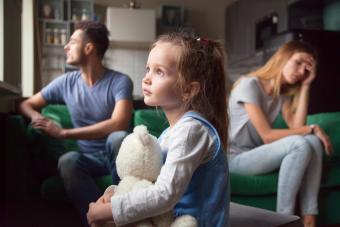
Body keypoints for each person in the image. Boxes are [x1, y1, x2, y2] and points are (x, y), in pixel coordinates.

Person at [86, 32, 230, 226]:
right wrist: (114, 194)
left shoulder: (192, 131)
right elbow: (149, 183)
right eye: (148, 69)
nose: (146, 78)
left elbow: (165, 194)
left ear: (188, 90)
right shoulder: (168, 134)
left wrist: (110, 210)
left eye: (159, 71)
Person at [19, 21, 133, 226]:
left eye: (72, 41)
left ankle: (122, 211)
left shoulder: (120, 81)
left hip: (114, 156)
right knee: (67, 160)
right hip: (88, 159)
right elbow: (26, 104)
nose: (66, 47)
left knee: (119, 138)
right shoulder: (66, 82)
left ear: (89, 48)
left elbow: (119, 123)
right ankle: (98, 220)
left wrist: (63, 133)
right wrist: (36, 117)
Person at [228, 40, 333, 227]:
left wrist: (306, 86)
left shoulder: (281, 95)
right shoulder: (249, 85)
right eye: (298, 62)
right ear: (283, 57)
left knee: (312, 142)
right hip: (234, 158)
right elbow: (267, 135)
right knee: (301, 142)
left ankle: (310, 217)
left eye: (307, 70)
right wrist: (313, 128)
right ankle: (284, 219)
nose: (302, 72)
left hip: (255, 155)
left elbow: (298, 127)